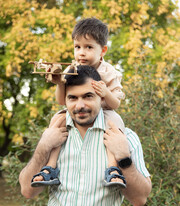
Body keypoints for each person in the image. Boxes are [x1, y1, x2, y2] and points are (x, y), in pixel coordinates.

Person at [19, 65, 152, 206]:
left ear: (101, 97)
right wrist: (43, 146)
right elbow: (27, 191)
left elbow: (139, 199)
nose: (80, 105)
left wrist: (124, 157)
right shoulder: (52, 135)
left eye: (88, 96)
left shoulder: (125, 138)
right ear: (64, 100)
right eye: (72, 98)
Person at [31, 17, 127, 188]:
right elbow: (62, 101)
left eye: (88, 47)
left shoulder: (109, 72)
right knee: (56, 120)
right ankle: (50, 167)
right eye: (77, 47)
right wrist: (60, 83)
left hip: (104, 112)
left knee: (116, 125)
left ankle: (112, 169)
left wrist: (106, 93)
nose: (81, 52)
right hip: (78, 112)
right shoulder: (71, 69)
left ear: (103, 50)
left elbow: (116, 104)